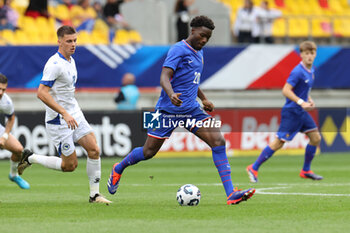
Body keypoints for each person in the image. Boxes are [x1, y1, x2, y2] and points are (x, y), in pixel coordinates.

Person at [107, 15, 255, 205]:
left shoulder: (199, 52)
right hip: (168, 109)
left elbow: (192, 80)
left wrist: (203, 99)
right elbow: (164, 77)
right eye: (202, 36)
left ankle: (231, 193)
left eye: (207, 38)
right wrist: (171, 94)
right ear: (192, 31)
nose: (204, 40)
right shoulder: (178, 49)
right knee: (148, 151)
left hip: (191, 110)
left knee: (218, 141)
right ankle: (118, 168)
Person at [17, 25, 111, 204]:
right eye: (69, 41)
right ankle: (31, 158)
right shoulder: (54, 65)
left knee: (94, 149)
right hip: (58, 119)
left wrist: (71, 112)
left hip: (74, 112)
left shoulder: (71, 60)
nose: (73, 44)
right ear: (59, 41)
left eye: (75, 40)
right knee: (70, 166)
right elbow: (41, 93)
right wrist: (64, 113)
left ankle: (94, 195)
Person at [246, 41, 323, 183]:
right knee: (278, 143)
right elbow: (286, 90)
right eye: (306, 53)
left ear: (315, 54)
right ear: (301, 55)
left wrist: (309, 100)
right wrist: (301, 102)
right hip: (292, 112)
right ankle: (254, 167)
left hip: (302, 112)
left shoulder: (311, 70)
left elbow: (303, 91)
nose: (309, 56)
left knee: (316, 138)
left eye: (312, 53)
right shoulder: (297, 71)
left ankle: (306, 170)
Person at [0, 74, 30, 189]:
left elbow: (11, 118)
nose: (1, 92)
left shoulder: (6, 102)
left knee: (19, 150)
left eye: (3, 89)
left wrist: (5, 136)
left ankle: (13, 175)